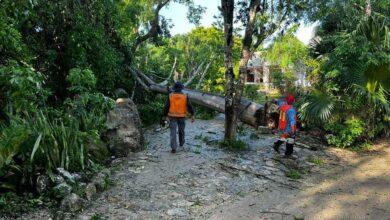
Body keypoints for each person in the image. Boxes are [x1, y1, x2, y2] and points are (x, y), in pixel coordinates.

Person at [163, 82, 195, 153]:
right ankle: (181, 144)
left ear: (174, 88)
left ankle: (173, 148)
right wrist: (192, 115)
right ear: (181, 89)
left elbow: (166, 106)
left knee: (173, 132)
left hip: (172, 116)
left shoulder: (170, 96)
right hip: (182, 116)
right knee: (181, 131)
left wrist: (164, 115)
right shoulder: (185, 96)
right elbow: (190, 106)